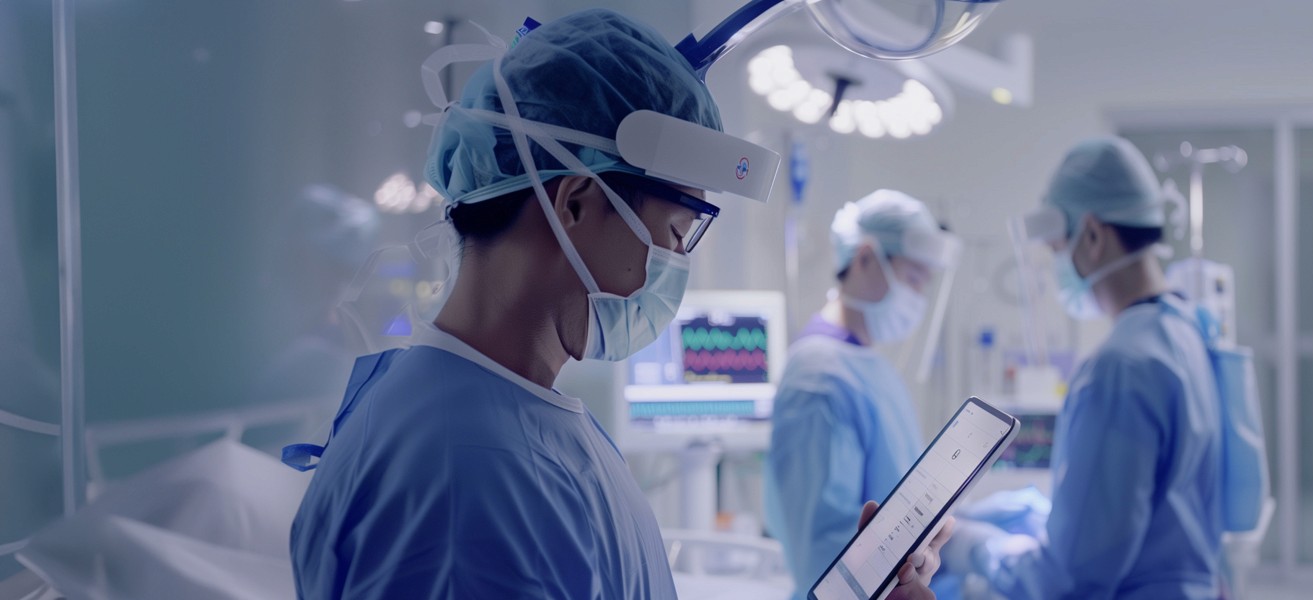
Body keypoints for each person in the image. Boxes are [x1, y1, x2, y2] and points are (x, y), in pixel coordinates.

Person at [282, 9, 948, 599]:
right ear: (575, 203)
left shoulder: (513, 417)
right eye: (674, 236)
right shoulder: (470, 483)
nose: (673, 270)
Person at [944, 136, 1224, 599]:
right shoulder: (1186, 333)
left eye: (1057, 248)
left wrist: (978, 550)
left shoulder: (1120, 368)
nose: (1056, 265)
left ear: (1092, 236)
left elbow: (1069, 580)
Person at [765, 189, 960, 596]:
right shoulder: (819, 380)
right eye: (912, 279)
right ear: (866, 258)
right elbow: (825, 553)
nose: (918, 298)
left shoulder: (867, 365)